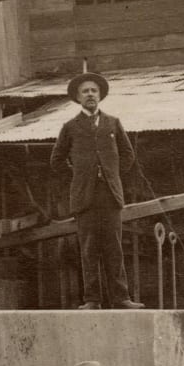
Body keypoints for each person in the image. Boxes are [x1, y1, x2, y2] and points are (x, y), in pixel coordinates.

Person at [49, 72, 145, 309]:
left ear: (100, 95)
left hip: (110, 195)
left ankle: (122, 298)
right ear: (78, 98)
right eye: (85, 91)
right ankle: (92, 300)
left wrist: (111, 174)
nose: (90, 94)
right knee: (89, 248)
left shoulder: (113, 123)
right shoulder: (70, 127)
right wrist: (79, 177)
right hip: (85, 198)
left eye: (93, 91)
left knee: (114, 247)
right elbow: (56, 160)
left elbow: (128, 154)